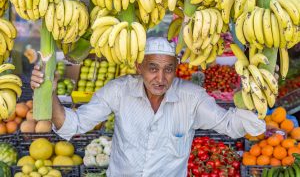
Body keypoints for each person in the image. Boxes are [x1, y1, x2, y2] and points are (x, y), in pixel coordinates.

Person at [31, 37, 266, 177]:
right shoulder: (118, 90)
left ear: (176, 68)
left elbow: (230, 125)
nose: (160, 78)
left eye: (168, 69)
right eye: (153, 68)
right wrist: (49, 94)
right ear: (138, 66)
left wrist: (258, 92)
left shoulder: (192, 97)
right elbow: (73, 125)